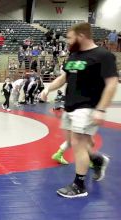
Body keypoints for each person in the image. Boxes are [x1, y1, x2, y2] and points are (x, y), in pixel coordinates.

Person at [41, 23, 118, 198]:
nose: (68, 41)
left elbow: (112, 83)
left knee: (78, 143)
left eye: (70, 37)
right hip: (70, 106)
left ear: (81, 36)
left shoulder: (103, 56)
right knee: (73, 140)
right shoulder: (74, 56)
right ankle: (98, 160)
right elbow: (64, 78)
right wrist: (47, 89)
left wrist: (101, 109)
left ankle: (79, 185)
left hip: (88, 107)